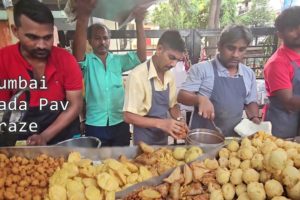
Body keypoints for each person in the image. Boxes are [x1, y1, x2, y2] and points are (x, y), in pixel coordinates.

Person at [0, 0, 83, 145]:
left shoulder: (66, 60)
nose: (41, 45)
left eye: (47, 37)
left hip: (62, 138)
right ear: (15, 31)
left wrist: (44, 136)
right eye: (32, 37)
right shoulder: (3, 60)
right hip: (22, 140)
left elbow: (74, 104)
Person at [73, 0, 146, 146]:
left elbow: (141, 57)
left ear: (110, 40)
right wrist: (84, 16)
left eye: (105, 38)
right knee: (98, 164)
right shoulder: (86, 61)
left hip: (120, 121)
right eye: (97, 38)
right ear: (90, 41)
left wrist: (139, 22)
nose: (102, 42)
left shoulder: (118, 61)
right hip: (95, 124)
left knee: (122, 161)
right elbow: (77, 54)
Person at [177, 25, 259, 137]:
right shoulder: (201, 69)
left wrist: (254, 118)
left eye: (241, 49)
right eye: (230, 48)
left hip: (233, 140)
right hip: (203, 139)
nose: (236, 55)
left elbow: (250, 101)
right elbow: (182, 96)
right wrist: (200, 99)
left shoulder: (248, 74)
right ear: (219, 46)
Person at [123, 30, 188, 145]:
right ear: (159, 49)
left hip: (162, 139)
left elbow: (173, 105)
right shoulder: (137, 76)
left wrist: (180, 120)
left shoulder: (170, 76)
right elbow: (128, 116)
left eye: (177, 60)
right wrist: (162, 123)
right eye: (171, 57)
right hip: (143, 141)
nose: (174, 64)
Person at [263, 6, 300, 138]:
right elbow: (289, 102)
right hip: (283, 126)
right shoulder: (277, 64)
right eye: (292, 29)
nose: (299, 32)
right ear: (280, 34)